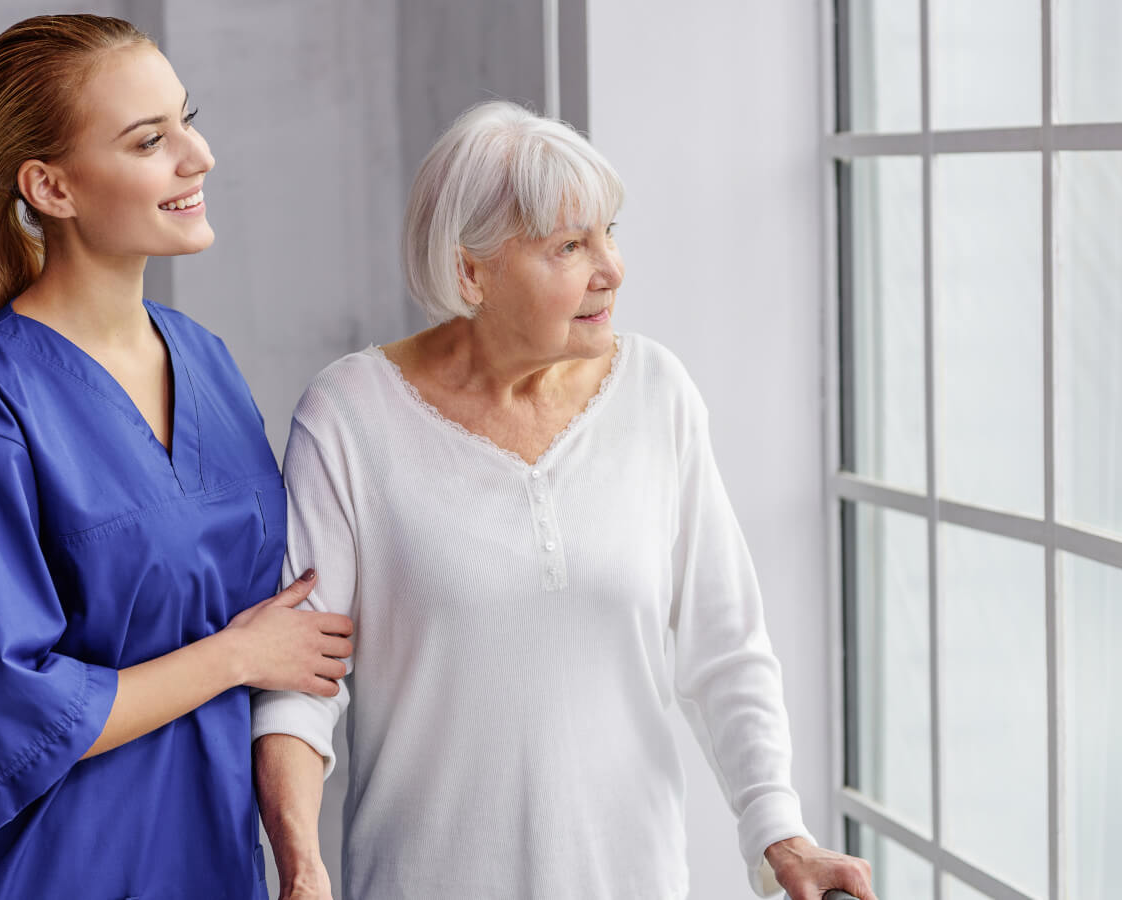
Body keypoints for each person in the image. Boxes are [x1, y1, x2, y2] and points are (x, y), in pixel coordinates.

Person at [250, 101, 877, 899]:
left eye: (608, 232)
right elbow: (300, 681)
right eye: (569, 247)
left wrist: (780, 833)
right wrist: (301, 867)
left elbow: (726, 650)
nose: (610, 268)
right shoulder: (350, 416)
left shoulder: (657, 394)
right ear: (471, 272)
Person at [0, 15, 353, 899]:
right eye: (149, 139)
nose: (197, 154)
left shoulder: (203, 358)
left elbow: (277, 620)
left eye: (187, 117)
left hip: (210, 864)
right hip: (54, 874)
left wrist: (298, 854)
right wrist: (239, 656)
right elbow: (7, 710)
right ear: (51, 186)